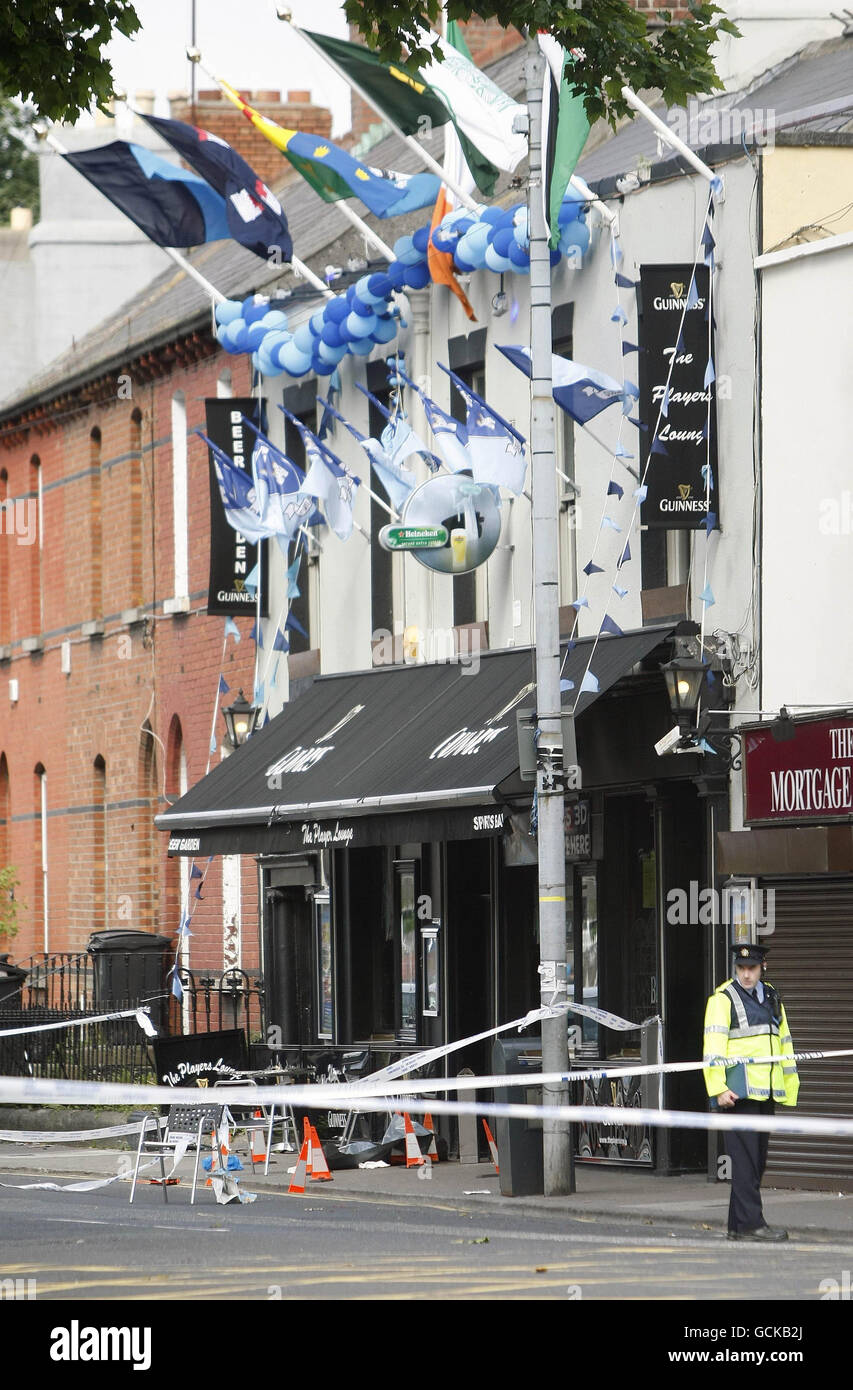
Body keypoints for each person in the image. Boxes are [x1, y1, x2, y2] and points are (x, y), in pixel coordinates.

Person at [703, 942, 799, 1241]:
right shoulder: (723, 999)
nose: (746, 975)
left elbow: (785, 1043)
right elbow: (713, 1046)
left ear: (762, 967)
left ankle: (736, 1225)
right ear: (735, 968)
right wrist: (718, 1088)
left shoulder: (772, 996)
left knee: (756, 1160)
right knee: (745, 1162)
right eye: (741, 969)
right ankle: (751, 1224)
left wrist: (788, 1085)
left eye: (752, 969)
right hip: (738, 1092)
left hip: (766, 1091)